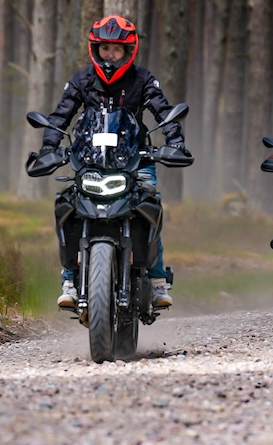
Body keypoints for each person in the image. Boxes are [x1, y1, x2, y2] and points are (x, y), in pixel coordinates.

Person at [33, 15, 189, 310]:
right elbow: (61, 115)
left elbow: (163, 110)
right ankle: (70, 279)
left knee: (150, 208)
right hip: (90, 161)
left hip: (136, 159)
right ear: (96, 49)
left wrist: (175, 142)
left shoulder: (142, 79)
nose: (110, 55)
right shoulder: (82, 79)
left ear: (128, 51)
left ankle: (157, 280)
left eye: (117, 50)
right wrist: (49, 147)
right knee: (69, 208)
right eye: (105, 48)